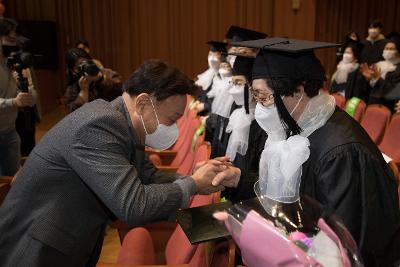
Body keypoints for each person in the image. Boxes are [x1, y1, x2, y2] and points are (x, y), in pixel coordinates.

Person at [0, 59, 241, 266]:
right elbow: (133, 206)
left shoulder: (121, 122)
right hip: (37, 247)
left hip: (66, 238)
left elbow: (148, 176)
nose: (173, 128)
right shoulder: (97, 126)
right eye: (171, 119)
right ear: (144, 103)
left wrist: (192, 176)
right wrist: (192, 184)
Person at [232, 37, 400, 266]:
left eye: (264, 97)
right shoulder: (299, 128)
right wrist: (239, 179)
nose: (260, 106)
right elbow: (294, 194)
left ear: (298, 91)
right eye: (256, 96)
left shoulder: (342, 154)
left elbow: (342, 244)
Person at [0, 18, 34, 176]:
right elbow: (15, 100)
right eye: (10, 40)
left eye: (16, 41)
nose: (13, 45)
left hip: (10, 131)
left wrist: (29, 92)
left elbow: (31, 96)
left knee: (13, 179)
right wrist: (13, 102)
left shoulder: (14, 64)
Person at [64, 48, 122, 112]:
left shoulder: (105, 73)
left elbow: (120, 92)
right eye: (80, 67)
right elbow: (74, 116)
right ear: (73, 71)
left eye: (86, 62)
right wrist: (84, 91)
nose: (85, 67)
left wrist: (101, 79)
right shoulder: (72, 90)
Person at [363, 32, 400, 112]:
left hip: (388, 107)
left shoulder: (398, 69)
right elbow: (372, 89)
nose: (388, 51)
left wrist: (378, 79)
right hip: (373, 103)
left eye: (391, 49)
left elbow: (395, 91)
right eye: (386, 48)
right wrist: (369, 79)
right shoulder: (379, 64)